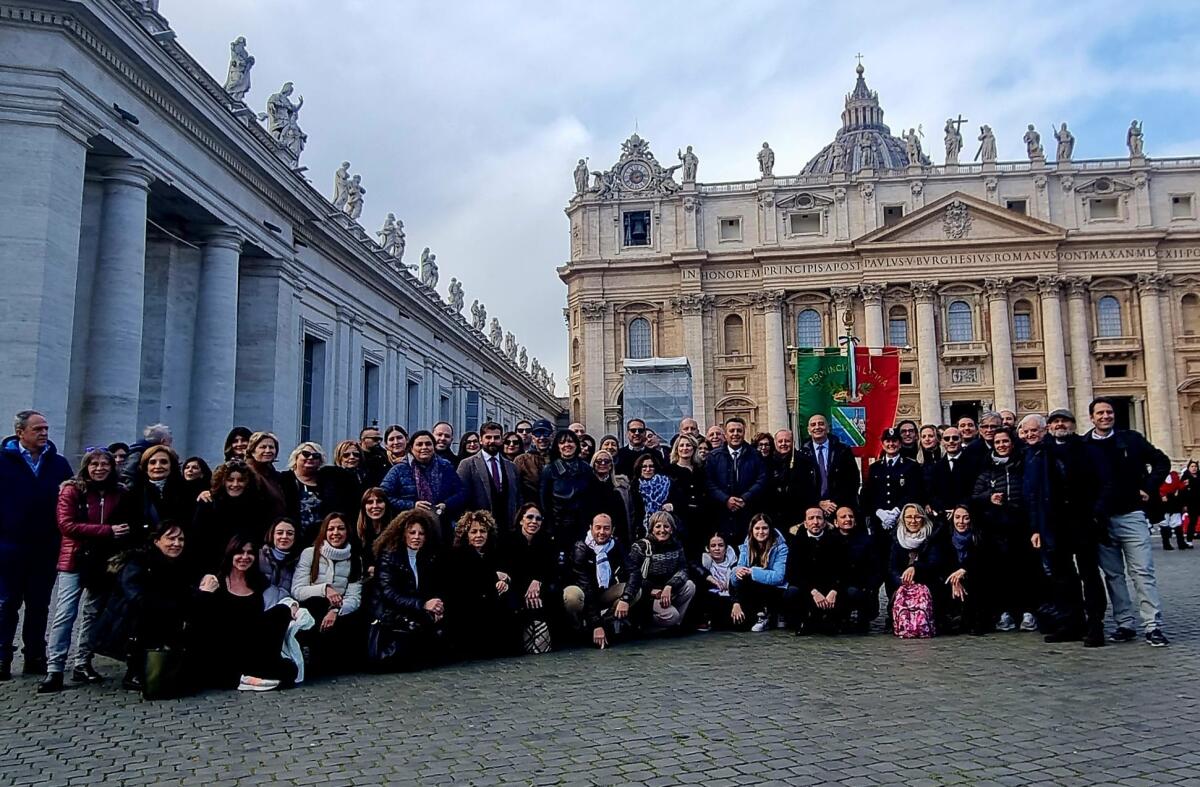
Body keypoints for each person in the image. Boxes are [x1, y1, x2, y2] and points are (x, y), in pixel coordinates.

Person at [1087, 397, 1172, 646]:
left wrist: (1148, 487)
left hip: (1131, 514)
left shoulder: (1131, 439)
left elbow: (1162, 461)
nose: (1105, 416)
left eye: (1109, 412)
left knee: (1142, 571)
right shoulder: (1083, 445)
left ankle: (1152, 625)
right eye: (1100, 413)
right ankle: (1125, 623)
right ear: (1091, 417)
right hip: (1101, 519)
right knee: (1113, 575)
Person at [41, 448, 127, 692]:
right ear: (86, 467)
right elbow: (66, 525)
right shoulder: (72, 490)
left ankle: (82, 662)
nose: (99, 468)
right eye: (94, 464)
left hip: (103, 560)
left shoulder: (118, 491)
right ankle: (55, 667)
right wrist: (106, 530)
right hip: (75, 558)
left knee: (92, 613)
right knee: (65, 613)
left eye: (105, 464)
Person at [0, 410, 74, 681]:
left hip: (45, 547)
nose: (44, 433)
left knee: (39, 604)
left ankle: (35, 656)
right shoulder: (3, 462)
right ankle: (2, 657)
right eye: (37, 429)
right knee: (6, 603)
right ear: (20, 432)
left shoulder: (58, 464)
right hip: (9, 546)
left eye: (46, 429)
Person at [1024, 409, 1108, 646]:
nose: (1060, 424)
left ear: (1073, 424)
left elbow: (1104, 483)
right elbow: (1033, 494)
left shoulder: (1089, 449)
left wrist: (1096, 515)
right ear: (1049, 426)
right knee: (1063, 578)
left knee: (1089, 576)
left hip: (1083, 523)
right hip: (1054, 524)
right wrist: (1036, 528)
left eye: (1065, 421)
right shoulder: (1039, 452)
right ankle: (1072, 623)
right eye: (1055, 421)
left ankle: (1095, 625)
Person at [93, 520, 195, 691]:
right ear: (157, 541)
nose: (176, 544)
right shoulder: (138, 562)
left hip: (155, 613)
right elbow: (137, 599)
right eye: (171, 539)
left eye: (181, 540)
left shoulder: (178, 564)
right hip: (125, 623)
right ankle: (135, 670)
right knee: (150, 615)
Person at [192, 537, 299, 691]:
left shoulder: (259, 582)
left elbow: (281, 598)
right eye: (239, 553)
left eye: (250, 553)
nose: (244, 557)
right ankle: (241, 676)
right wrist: (205, 593)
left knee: (281, 613)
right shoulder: (217, 581)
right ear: (230, 554)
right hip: (225, 645)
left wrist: (293, 604)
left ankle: (255, 672)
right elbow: (201, 616)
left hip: (253, 646)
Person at [972, 426, 1038, 633]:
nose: (1001, 445)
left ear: (1012, 443)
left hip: (1021, 525)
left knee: (1025, 571)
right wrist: (988, 498)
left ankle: (1027, 612)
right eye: (998, 442)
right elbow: (974, 498)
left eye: (1005, 441)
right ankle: (1004, 612)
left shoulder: (1024, 465)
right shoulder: (987, 470)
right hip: (996, 527)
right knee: (1000, 573)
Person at [369, 510, 445, 670]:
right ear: (403, 533)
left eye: (421, 533)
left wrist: (437, 606)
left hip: (414, 607)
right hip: (391, 612)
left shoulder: (429, 556)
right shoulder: (388, 556)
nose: (416, 537)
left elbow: (432, 586)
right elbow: (389, 593)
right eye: (412, 532)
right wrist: (423, 604)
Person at [291, 513, 366, 671]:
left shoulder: (355, 560)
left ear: (347, 532)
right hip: (314, 607)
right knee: (316, 604)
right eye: (331, 529)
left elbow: (354, 597)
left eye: (340, 528)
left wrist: (335, 610)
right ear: (324, 532)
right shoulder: (310, 553)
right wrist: (325, 589)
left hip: (339, 611)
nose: (335, 533)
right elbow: (297, 590)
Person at [444, 511, 518, 658]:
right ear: (466, 534)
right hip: (468, 611)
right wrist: (493, 578)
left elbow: (508, 573)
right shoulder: (456, 556)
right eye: (474, 532)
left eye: (482, 531)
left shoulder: (494, 553)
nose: (478, 535)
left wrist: (505, 582)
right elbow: (466, 584)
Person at [381, 430, 465, 543]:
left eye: (428, 444)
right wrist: (412, 505)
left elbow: (461, 492)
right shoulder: (399, 469)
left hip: (442, 526)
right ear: (411, 448)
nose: (424, 447)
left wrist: (446, 504)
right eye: (419, 444)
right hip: (409, 528)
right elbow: (383, 495)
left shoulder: (445, 466)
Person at [619, 511, 695, 631]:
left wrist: (670, 586)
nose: (662, 530)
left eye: (666, 526)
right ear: (652, 529)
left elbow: (683, 569)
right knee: (671, 616)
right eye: (658, 526)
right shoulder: (640, 547)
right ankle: (648, 625)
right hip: (647, 594)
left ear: (671, 529)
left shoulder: (677, 545)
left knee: (690, 586)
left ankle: (675, 625)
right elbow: (630, 575)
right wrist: (651, 590)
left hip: (667, 591)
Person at [563, 513, 630, 648]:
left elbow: (633, 571)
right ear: (591, 528)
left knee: (633, 591)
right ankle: (579, 629)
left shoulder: (616, 545)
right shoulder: (581, 548)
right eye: (598, 527)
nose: (601, 532)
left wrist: (626, 599)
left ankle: (607, 623)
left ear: (612, 530)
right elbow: (586, 586)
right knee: (572, 597)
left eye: (606, 528)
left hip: (604, 591)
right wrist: (596, 624)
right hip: (583, 594)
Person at [499, 503, 557, 654]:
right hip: (515, 588)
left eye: (538, 518)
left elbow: (551, 569)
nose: (534, 521)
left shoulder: (546, 542)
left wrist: (537, 581)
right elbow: (508, 570)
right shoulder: (508, 541)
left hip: (539, 589)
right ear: (520, 520)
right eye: (529, 517)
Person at [191, 460, 267, 574]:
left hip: (244, 565)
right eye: (230, 480)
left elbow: (258, 538)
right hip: (212, 565)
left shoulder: (257, 505)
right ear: (222, 481)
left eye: (241, 480)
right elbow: (197, 539)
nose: (235, 484)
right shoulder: (208, 503)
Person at [784, 508, 847, 634]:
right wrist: (813, 591)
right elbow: (793, 573)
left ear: (824, 522)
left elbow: (843, 569)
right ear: (805, 523)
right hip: (807, 588)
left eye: (819, 518)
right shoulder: (797, 542)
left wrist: (834, 590)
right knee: (792, 592)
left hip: (829, 589)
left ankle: (833, 621)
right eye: (811, 518)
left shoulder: (835, 541)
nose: (815, 522)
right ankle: (802, 620)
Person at [281, 442, 359, 544]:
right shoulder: (284, 480)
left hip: (325, 540)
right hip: (292, 538)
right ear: (296, 456)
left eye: (316, 456)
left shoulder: (329, 479)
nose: (310, 458)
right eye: (306, 454)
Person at [705, 417, 767, 542]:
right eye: (731, 431)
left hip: (748, 512)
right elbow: (708, 482)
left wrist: (745, 498)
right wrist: (726, 499)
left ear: (744, 432)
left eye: (739, 431)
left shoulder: (755, 455)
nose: (735, 434)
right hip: (722, 513)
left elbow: (762, 479)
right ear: (725, 434)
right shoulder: (714, 456)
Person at [888, 504, 946, 634]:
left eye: (917, 517)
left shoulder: (932, 537)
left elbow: (935, 563)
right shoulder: (896, 538)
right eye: (909, 517)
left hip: (928, 583)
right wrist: (903, 581)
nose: (913, 521)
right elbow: (892, 567)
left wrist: (916, 568)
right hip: (903, 584)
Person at [458, 421, 521, 533]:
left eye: (496, 437)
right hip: (479, 530)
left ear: (501, 440)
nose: (492, 441)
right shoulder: (467, 464)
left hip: (507, 529)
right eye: (488, 437)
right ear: (481, 440)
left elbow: (517, 498)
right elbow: (461, 498)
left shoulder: (511, 467)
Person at [730, 513, 789, 631]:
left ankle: (766, 614)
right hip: (750, 589)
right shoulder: (746, 546)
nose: (760, 532)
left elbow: (778, 577)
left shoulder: (781, 547)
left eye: (764, 528)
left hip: (774, 589)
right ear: (752, 530)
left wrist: (752, 571)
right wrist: (737, 571)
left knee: (750, 576)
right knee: (739, 574)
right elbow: (738, 572)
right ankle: (746, 610)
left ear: (770, 529)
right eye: (757, 528)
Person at [861, 428, 923, 541]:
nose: (891, 444)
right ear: (882, 444)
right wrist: (879, 512)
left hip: (903, 519)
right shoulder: (875, 467)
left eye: (894, 441)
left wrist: (896, 511)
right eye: (887, 441)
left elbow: (914, 493)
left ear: (900, 444)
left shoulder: (911, 466)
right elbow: (868, 494)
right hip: (878, 520)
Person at [119, 444, 193, 539]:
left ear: (172, 466)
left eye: (164, 462)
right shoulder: (133, 494)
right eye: (152, 462)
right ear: (145, 467)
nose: (158, 466)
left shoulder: (187, 491)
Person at [540, 430, 594, 552]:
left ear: (576, 444)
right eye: (562, 442)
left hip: (582, 525)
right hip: (558, 525)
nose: (566, 445)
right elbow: (544, 501)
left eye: (570, 441)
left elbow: (591, 498)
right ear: (557, 446)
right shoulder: (549, 469)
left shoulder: (586, 469)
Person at [799, 414, 860, 515]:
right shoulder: (801, 454)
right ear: (809, 430)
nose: (817, 427)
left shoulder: (843, 451)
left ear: (828, 428)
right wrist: (818, 503)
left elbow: (853, 480)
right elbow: (801, 486)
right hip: (813, 509)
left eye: (821, 424)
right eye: (813, 425)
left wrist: (833, 504)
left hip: (840, 508)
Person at [831, 506, 880, 632]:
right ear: (836, 522)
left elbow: (875, 568)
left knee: (854, 592)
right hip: (836, 586)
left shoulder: (866, 541)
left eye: (851, 516)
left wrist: (869, 587)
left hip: (860, 586)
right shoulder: (829, 540)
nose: (848, 519)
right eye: (843, 517)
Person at [941, 505, 988, 635]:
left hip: (973, 576)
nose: (961, 522)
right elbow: (941, 561)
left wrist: (964, 569)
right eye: (957, 517)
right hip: (950, 576)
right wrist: (954, 580)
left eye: (965, 518)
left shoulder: (979, 536)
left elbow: (983, 560)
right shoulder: (945, 536)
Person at [765, 429, 817, 534]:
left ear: (793, 442)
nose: (783, 444)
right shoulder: (767, 462)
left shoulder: (804, 461)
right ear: (775, 443)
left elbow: (811, 488)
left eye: (787, 441)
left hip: (798, 516)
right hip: (774, 515)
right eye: (780, 441)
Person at [667, 434, 708, 557]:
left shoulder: (701, 470)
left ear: (694, 448)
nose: (685, 448)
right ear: (677, 449)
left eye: (688, 445)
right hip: (680, 521)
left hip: (700, 521)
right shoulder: (669, 470)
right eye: (682, 445)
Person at [927, 427, 974, 522]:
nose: (951, 441)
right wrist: (944, 510)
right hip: (943, 517)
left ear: (961, 439)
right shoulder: (935, 467)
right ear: (942, 442)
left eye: (955, 438)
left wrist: (958, 510)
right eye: (947, 439)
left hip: (968, 516)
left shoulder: (973, 464)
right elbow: (932, 493)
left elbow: (975, 491)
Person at [588, 449, 633, 543]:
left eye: (607, 461)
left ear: (611, 465)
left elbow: (625, 516)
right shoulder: (586, 486)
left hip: (616, 537)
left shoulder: (621, 487)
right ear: (593, 464)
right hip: (590, 537)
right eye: (599, 461)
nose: (603, 463)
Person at [696, 532, 738, 630]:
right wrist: (712, 580)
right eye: (713, 546)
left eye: (720, 545)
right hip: (712, 600)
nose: (717, 549)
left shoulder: (735, 562)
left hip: (731, 599)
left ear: (726, 548)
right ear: (708, 548)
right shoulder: (704, 563)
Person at [631, 452, 675, 543]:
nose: (648, 469)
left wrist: (672, 506)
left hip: (666, 530)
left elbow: (679, 502)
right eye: (644, 467)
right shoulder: (634, 486)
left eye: (651, 466)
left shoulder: (667, 483)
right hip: (642, 531)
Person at [258, 518, 301, 608]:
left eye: (290, 533)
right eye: (279, 532)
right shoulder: (259, 556)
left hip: (285, 609)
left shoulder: (299, 562)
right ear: (272, 535)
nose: (284, 536)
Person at [246, 431, 286, 521]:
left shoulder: (273, 475)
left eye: (271, 447)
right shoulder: (247, 473)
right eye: (263, 447)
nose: (268, 451)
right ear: (252, 451)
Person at [515, 419, 553, 504]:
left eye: (546, 433)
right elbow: (516, 489)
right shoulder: (521, 460)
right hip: (531, 509)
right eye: (538, 434)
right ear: (533, 438)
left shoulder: (558, 459)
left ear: (552, 436)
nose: (542, 438)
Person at [356, 487, 393, 571]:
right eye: (370, 502)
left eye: (379, 501)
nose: (375, 506)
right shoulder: (358, 532)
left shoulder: (396, 531)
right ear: (364, 507)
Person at [1183, 459, 1200, 544]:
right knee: (1192, 521)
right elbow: (1183, 492)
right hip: (1191, 503)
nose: (1194, 468)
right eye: (1192, 466)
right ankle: (1189, 540)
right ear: (1188, 468)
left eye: (1195, 466)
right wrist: (1184, 504)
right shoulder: (1185, 477)